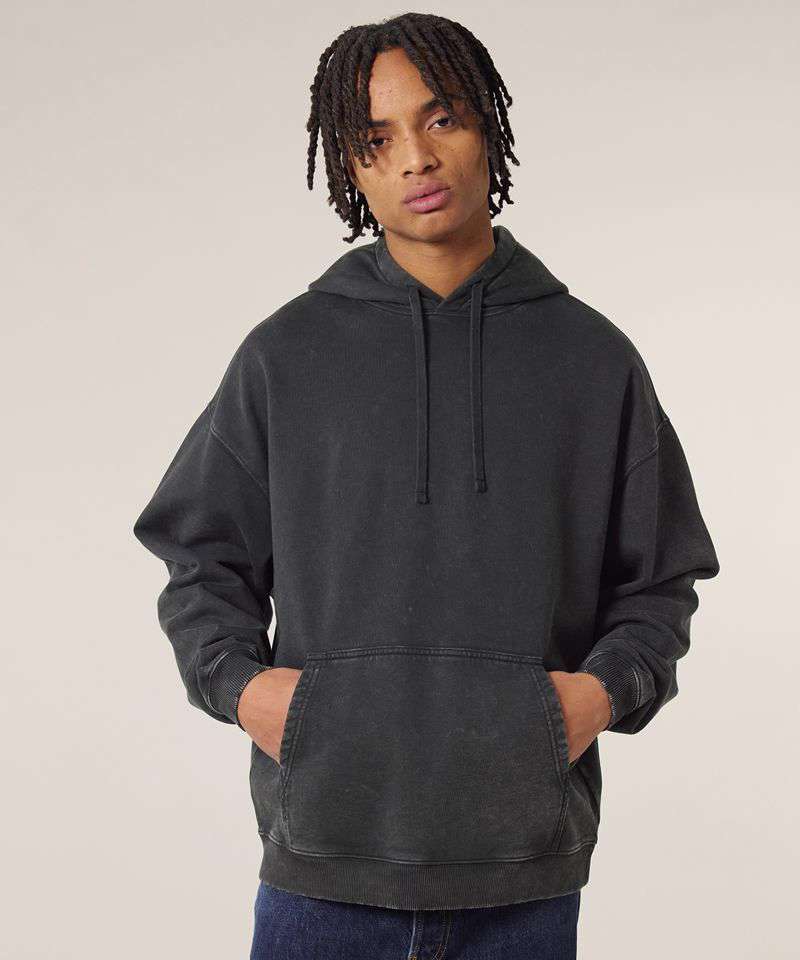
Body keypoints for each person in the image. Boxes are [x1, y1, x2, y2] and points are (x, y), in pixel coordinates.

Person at [132, 12, 720, 959]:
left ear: (486, 124)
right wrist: (247, 692)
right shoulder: (286, 355)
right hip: (322, 869)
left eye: (440, 119)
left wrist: (592, 699)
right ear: (352, 170)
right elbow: (200, 556)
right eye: (376, 140)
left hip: (524, 875)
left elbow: (659, 581)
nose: (415, 157)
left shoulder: (593, 359)